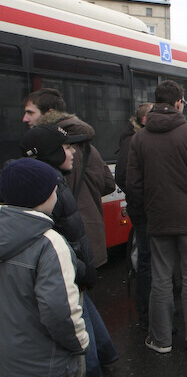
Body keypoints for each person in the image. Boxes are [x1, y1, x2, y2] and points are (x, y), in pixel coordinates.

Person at [19, 125, 118, 377]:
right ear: (52, 153)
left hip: (74, 264)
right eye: (66, 147)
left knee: (82, 306)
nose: (73, 151)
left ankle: (97, 363)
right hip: (73, 265)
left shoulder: (52, 184)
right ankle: (96, 365)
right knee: (80, 307)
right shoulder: (51, 186)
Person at [126, 81, 187, 353]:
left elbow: (134, 185)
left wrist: (147, 211)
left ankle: (161, 339)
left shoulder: (139, 139)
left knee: (161, 278)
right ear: (178, 102)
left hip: (158, 220)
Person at [0, 158, 89, 377]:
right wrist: (80, 343)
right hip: (41, 372)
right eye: (54, 190)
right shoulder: (50, 243)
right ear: (43, 196)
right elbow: (58, 311)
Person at [23, 88, 116, 267]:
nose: (25, 118)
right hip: (89, 235)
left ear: (49, 113)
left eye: (30, 112)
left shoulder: (54, 151)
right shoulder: (88, 146)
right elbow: (108, 183)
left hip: (67, 242)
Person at [115, 102, 154, 328]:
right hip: (144, 210)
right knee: (147, 260)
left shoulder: (141, 138)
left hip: (146, 207)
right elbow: (123, 176)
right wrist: (143, 198)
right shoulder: (133, 140)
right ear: (145, 120)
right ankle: (146, 311)